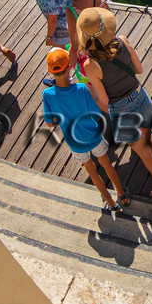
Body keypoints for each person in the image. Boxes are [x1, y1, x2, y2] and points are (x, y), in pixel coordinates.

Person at [74, 7, 152, 202]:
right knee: (149, 141)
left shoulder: (91, 65)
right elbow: (139, 69)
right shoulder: (122, 40)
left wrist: (94, 98)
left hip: (122, 109)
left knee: (143, 153)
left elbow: (104, 100)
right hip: (140, 96)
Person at [41, 48, 127, 212]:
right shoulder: (81, 88)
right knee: (106, 163)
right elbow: (96, 115)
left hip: (75, 142)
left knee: (92, 171)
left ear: (50, 71)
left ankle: (111, 204)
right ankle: (122, 194)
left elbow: (49, 123)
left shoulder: (48, 94)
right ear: (69, 67)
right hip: (93, 136)